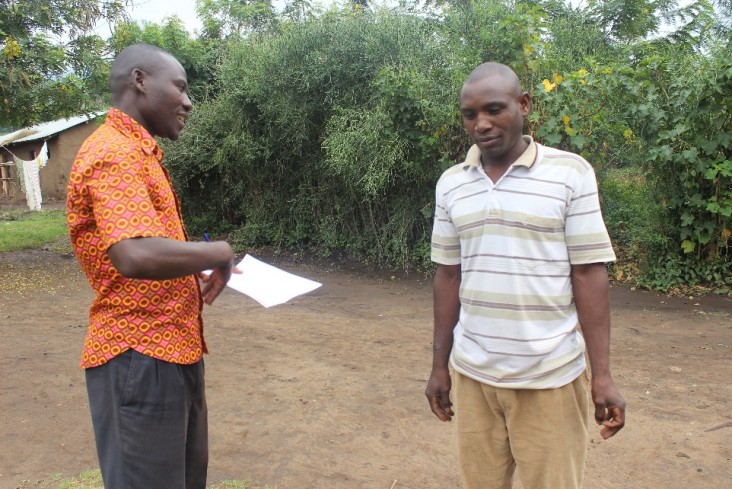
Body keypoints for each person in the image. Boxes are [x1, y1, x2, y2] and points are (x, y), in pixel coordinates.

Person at [425, 62, 626, 489]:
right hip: (474, 375)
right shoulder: (451, 184)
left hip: (549, 377)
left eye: (494, 109)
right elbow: (447, 276)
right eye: (470, 114)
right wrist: (439, 367)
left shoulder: (570, 174)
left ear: (524, 104)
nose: (481, 124)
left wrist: (602, 375)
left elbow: (589, 274)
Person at [66, 44, 238, 489]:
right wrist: (217, 251)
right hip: (137, 359)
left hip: (171, 352)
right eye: (179, 86)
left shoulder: (139, 154)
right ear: (140, 81)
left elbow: (147, 250)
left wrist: (184, 267)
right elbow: (134, 254)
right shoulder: (114, 152)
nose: (188, 101)